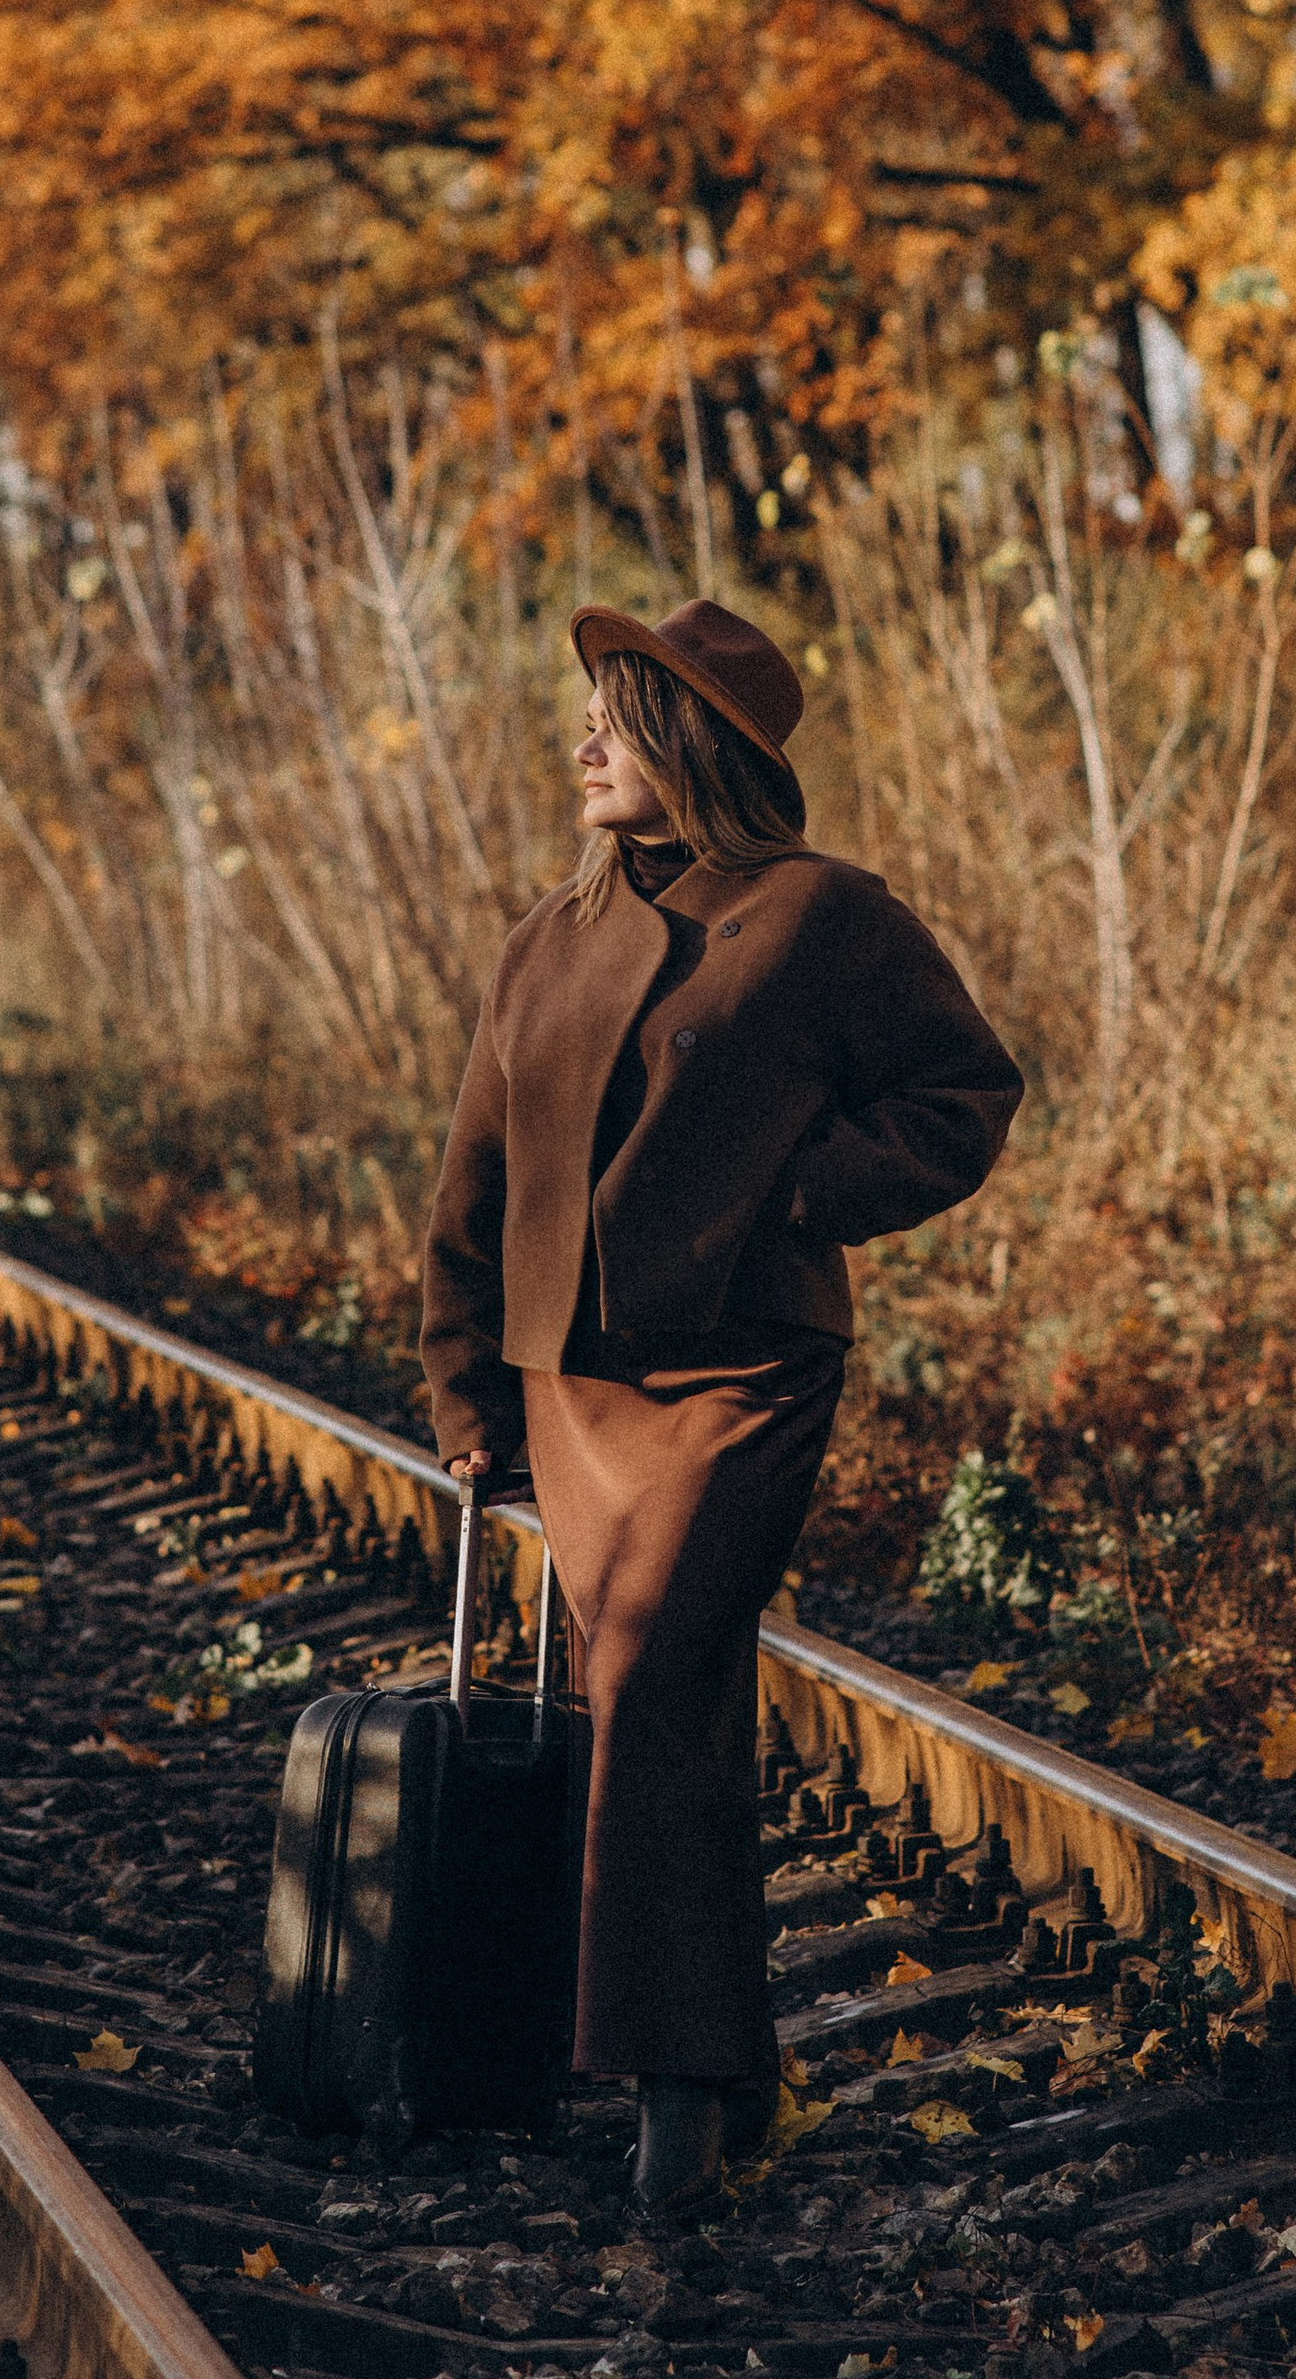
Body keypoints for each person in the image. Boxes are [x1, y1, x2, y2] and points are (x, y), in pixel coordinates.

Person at [419, 597, 1022, 2222]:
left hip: (742, 1369)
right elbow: (475, 1178)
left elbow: (964, 1094)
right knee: (655, 1700)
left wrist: (797, 1202)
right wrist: (464, 1385)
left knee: (649, 1668)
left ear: (698, 743)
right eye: (591, 716)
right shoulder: (545, 938)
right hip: (572, 1381)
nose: (585, 741)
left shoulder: (825, 918)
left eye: (616, 715)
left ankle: (670, 2097)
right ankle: (723, 2063)